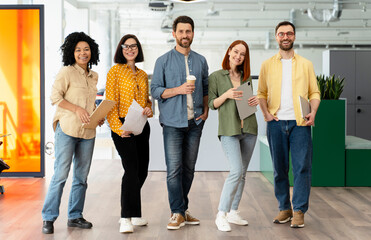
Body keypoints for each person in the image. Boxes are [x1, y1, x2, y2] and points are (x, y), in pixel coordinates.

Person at [257, 21, 320, 228]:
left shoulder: (306, 64)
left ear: (294, 36)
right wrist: (266, 114)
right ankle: (285, 208)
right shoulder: (267, 65)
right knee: (279, 169)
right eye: (281, 34)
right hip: (275, 123)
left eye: (289, 33)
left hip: (300, 123)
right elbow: (261, 94)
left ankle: (299, 210)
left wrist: (313, 111)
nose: (285, 37)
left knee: (302, 168)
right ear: (276, 37)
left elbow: (314, 93)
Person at [151, 15, 209, 230]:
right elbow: (155, 91)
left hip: (195, 123)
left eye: (189, 31)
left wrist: (206, 111)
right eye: (181, 31)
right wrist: (178, 90)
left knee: (189, 168)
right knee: (174, 169)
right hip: (173, 123)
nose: (185, 35)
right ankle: (176, 211)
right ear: (174, 34)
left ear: (193, 33)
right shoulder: (163, 61)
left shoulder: (201, 60)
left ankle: (182, 210)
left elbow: (205, 86)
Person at [42, 32, 102, 234]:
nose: (83, 53)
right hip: (67, 129)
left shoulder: (94, 76)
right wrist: (76, 109)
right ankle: (48, 218)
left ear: (91, 52)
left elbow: (90, 102)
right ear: (72, 53)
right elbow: (54, 97)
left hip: (88, 132)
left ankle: (75, 216)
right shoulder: (66, 72)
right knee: (60, 174)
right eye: (78, 50)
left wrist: (97, 115)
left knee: (81, 177)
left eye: (86, 49)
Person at [208, 40, 258, 232]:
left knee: (243, 173)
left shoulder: (246, 77)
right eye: (236, 52)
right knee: (236, 170)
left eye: (242, 54)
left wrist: (254, 99)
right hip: (229, 130)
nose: (238, 56)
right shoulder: (216, 76)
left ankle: (233, 211)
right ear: (229, 52)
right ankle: (221, 213)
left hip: (249, 128)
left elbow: (248, 101)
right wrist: (227, 94)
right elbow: (212, 104)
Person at [105, 34, 153, 233]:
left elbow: (147, 101)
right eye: (126, 46)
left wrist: (149, 109)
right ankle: (126, 217)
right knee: (131, 169)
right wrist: (118, 128)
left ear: (138, 49)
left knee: (142, 170)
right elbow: (110, 103)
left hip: (141, 125)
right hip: (123, 125)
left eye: (133, 46)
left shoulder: (142, 74)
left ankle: (133, 212)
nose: (130, 49)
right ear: (121, 49)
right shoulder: (115, 71)